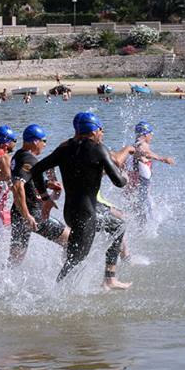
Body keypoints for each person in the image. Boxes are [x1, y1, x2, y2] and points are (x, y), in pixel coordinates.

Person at [30, 112, 130, 289]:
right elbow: (118, 182)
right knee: (75, 259)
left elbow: (36, 170)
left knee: (117, 225)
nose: (102, 133)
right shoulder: (98, 149)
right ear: (93, 131)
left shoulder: (64, 148)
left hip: (70, 212)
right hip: (86, 214)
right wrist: (125, 178)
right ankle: (56, 294)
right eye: (101, 130)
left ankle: (109, 279)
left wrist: (45, 197)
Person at [9, 124, 70, 266]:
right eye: (44, 141)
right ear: (35, 141)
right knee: (71, 240)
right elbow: (17, 187)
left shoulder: (18, 155)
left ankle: (1, 285)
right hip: (32, 214)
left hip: (17, 214)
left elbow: (27, 179)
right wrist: (27, 215)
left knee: (14, 261)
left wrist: (48, 183)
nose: (44, 144)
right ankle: (66, 278)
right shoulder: (29, 159)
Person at [119, 122, 175, 226]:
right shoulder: (142, 145)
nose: (152, 136)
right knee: (144, 214)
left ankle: (133, 230)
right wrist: (163, 159)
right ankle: (141, 235)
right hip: (141, 185)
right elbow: (145, 153)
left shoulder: (133, 146)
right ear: (145, 134)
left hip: (136, 184)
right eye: (151, 133)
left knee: (140, 211)